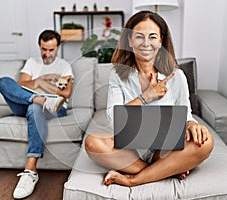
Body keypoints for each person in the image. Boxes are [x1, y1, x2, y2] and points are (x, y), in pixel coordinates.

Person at [85, 11, 214, 187]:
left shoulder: (177, 76)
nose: (146, 43)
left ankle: (134, 179)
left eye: (152, 37)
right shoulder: (118, 74)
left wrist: (192, 125)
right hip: (130, 150)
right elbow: (114, 120)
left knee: (206, 143)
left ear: (161, 40)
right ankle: (164, 169)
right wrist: (146, 97)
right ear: (130, 41)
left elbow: (186, 115)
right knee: (92, 143)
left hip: (164, 150)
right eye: (139, 37)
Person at [0, 29, 73, 199]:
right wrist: (41, 82)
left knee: (34, 108)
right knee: (3, 82)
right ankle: (37, 99)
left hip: (55, 108)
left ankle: (30, 170)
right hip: (26, 102)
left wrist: (37, 83)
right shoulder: (32, 62)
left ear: (58, 47)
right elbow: (19, 86)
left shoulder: (64, 66)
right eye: (44, 49)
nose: (47, 54)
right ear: (39, 46)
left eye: (51, 50)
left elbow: (65, 92)